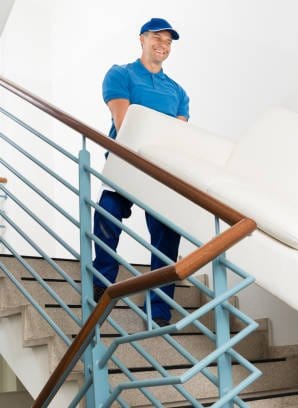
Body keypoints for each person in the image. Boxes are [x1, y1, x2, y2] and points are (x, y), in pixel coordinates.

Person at [92, 18, 190, 328]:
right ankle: (101, 278)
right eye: (157, 38)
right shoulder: (121, 74)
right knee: (109, 211)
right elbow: (124, 124)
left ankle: (158, 310)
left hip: (160, 169)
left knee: (167, 233)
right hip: (125, 158)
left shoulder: (177, 91)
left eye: (169, 41)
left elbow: (177, 136)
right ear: (142, 39)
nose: (163, 44)